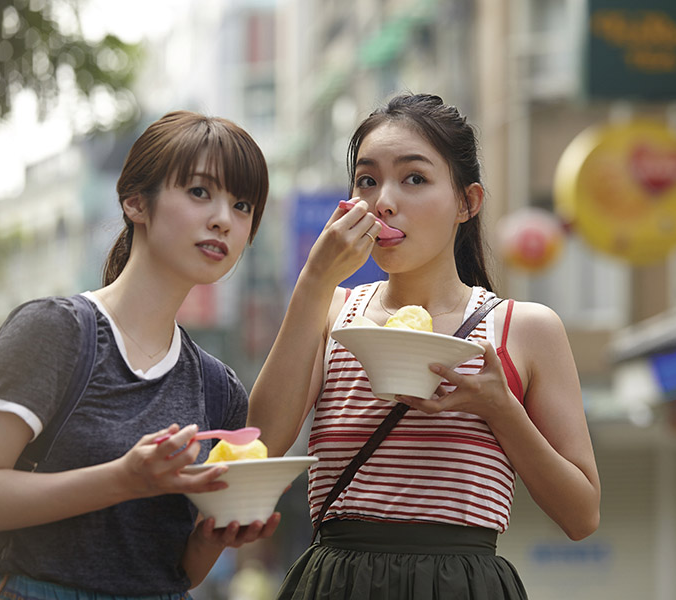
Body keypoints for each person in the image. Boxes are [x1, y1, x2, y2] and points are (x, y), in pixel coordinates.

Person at [248, 93, 601, 599]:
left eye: (414, 178)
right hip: (337, 583)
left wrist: (501, 409)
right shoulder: (332, 311)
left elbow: (582, 515)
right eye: (367, 180)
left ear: (467, 202)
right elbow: (262, 445)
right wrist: (314, 279)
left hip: (463, 583)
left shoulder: (523, 329)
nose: (383, 201)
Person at [0, 110, 280, 600]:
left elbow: (176, 571)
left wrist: (210, 539)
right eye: (200, 192)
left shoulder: (219, 388)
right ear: (136, 202)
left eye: (243, 205)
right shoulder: (56, 332)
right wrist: (122, 479)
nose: (224, 218)